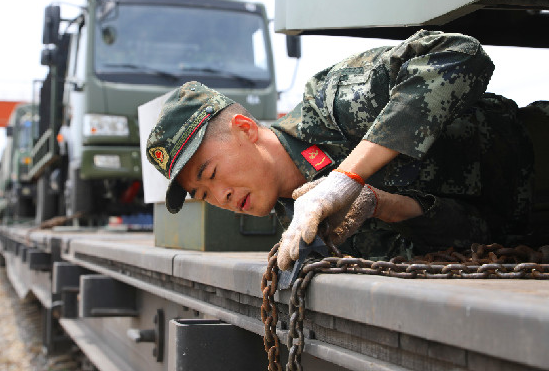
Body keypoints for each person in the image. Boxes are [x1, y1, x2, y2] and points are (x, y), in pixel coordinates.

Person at [145, 29, 548, 271]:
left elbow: (460, 56)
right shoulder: (312, 230)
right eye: (204, 196)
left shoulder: (332, 107)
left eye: (211, 175)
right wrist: (382, 204)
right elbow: (477, 236)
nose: (222, 198)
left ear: (246, 129)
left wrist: (345, 177)